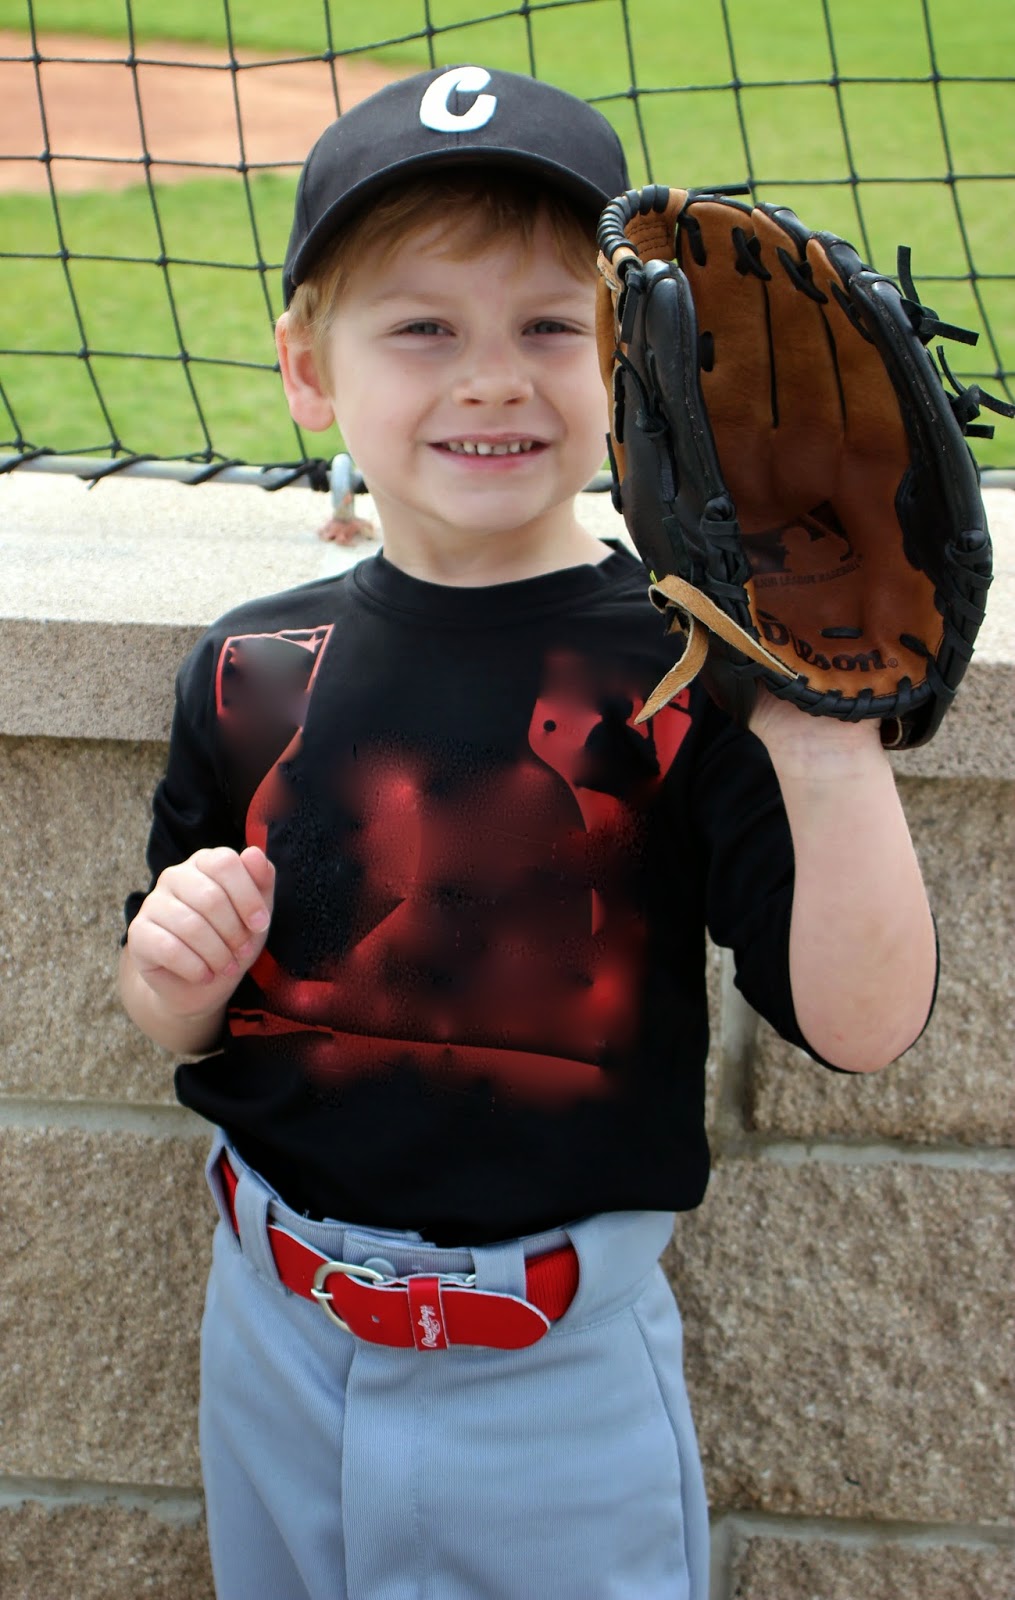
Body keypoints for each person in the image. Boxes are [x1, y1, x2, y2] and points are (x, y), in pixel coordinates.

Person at [119, 64, 938, 1600]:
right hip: (274, 1338)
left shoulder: (694, 666)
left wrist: (825, 741)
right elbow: (173, 1013)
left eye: (552, 328)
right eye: (423, 326)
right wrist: (171, 975)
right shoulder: (246, 672)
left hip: (554, 1384)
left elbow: (866, 1022)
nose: (491, 377)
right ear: (310, 368)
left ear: (634, 356)